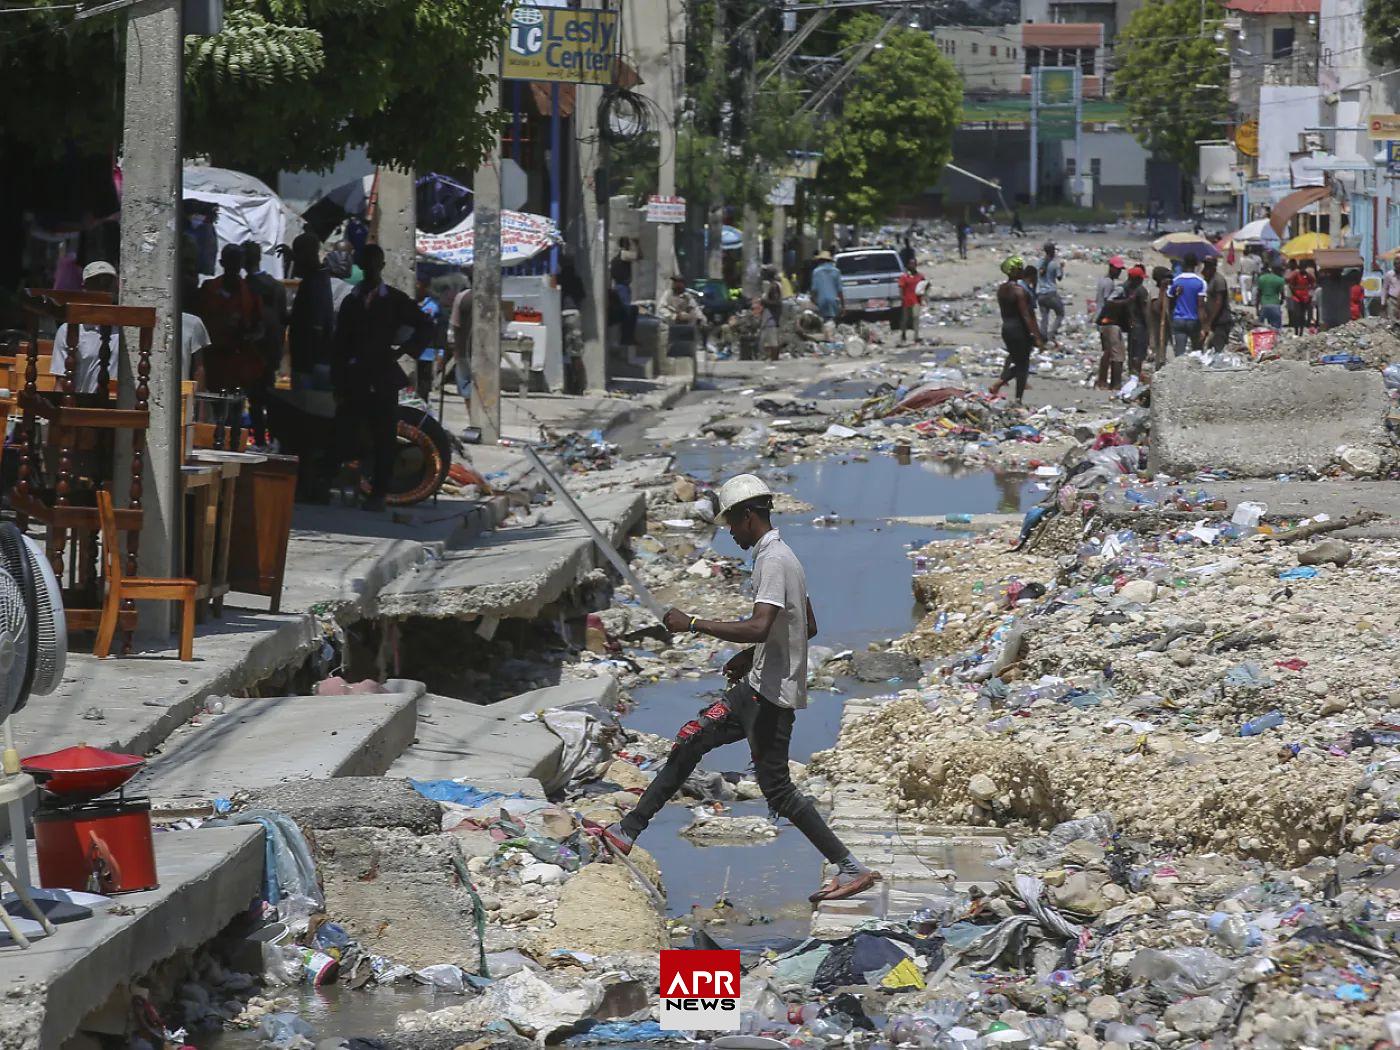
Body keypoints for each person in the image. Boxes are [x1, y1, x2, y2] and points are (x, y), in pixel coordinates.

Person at [599, 474, 882, 905]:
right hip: (753, 686)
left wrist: (692, 623)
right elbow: (806, 625)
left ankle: (850, 867)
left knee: (778, 790)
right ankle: (628, 830)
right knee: (691, 739)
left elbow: (759, 625)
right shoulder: (780, 557)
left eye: (732, 522)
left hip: (770, 699)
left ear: (750, 516)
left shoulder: (774, 561)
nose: (730, 532)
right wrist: (750, 658)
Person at [331, 244, 431, 512]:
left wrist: (404, 350)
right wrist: (337, 379)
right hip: (354, 376)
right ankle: (348, 484)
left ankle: (379, 492)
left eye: (376, 264)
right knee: (348, 432)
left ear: (382, 266)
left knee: (384, 435)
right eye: (367, 263)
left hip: (383, 375)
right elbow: (340, 343)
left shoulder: (395, 300)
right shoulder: (352, 301)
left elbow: (425, 325)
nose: (371, 269)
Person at [197, 243, 265, 399]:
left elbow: (259, 325)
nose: (234, 266)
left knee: (235, 406)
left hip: (238, 360)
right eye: (230, 261)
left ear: (242, 263)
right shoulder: (209, 288)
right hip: (213, 360)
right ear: (222, 263)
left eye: (237, 261)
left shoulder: (251, 292)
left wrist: (250, 337)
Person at [50, 261, 122, 394]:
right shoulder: (68, 330)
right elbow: (61, 381)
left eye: (107, 283)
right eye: (96, 283)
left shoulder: (124, 328)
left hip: (116, 406)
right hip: (82, 402)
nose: (102, 290)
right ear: (84, 287)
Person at [241, 242, 288, 447]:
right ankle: (272, 438)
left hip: (253, 352)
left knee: (255, 400)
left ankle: (261, 439)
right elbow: (283, 320)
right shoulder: (276, 286)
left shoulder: (244, 287)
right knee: (267, 397)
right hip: (269, 352)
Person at [989, 256, 1044, 404]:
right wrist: (1036, 335)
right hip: (1019, 330)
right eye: (1020, 268)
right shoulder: (1019, 291)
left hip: (1006, 328)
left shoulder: (1001, 289)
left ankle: (1005, 387)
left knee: (1017, 361)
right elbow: (1027, 315)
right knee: (1023, 364)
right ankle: (1012, 394)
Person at [286, 232, 336, 391]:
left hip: (310, 364)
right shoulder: (318, 278)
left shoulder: (316, 283)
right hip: (313, 362)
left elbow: (316, 326)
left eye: (297, 256)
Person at [1093, 256, 1125, 389]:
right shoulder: (1109, 283)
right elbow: (1108, 302)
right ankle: (1103, 381)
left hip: (1101, 319)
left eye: (1120, 269)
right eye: (1117, 269)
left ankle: (1102, 380)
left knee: (1106, 351)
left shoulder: (1104, 280)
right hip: (1105, 319)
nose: (1118, 272)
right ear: (1111, 267)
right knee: (1109, 352)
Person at [1167, 253, 1207, 357]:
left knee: (1180, 352)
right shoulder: (1201, 282)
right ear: (1196, 265)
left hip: (1178, 319)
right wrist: (1203, 327)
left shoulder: (1175, 281)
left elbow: (1170, 301)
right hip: (1194, 321)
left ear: (1183, 264)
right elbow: (1201, 306)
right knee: (1197, 351)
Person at [446, 280, 473, 416]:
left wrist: (454, 346)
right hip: (486, 354)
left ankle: (472, 419)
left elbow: (454, 324)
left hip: (463, 351)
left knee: (467, 387)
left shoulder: (462, 297)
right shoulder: (492, 298)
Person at [1124, 265, 1151, 379]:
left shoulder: (1127, 288)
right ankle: (1136, 373)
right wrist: (1149, 327)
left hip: (1131, 323)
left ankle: (1132, 372)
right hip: (1140, 324)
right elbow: (1145, 310)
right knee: (1139, 351)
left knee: (1132, 350)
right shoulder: (1141, 291)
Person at [1036, 241, 1065, 345]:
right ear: (1053, 251)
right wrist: (1062, 267)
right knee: (1060, 313)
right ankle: (1051, 334)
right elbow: (1059, 277)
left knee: (1044, 317)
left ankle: (1042, 336)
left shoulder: (1039, 262)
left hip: (1040, 293)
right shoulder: (1054, 264)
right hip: (1051, 293)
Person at [1202, 256, 1232, 351]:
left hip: (1221, 320)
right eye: (1205, 266)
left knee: (1218, 346)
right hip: (1213, 320)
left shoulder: (1218, 280)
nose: (1206, 269)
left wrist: (1209, 322)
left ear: (1214, 267)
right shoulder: (1209, 280)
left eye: (1208, 266)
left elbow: (1219, 302)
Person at [809, 253, 844, 324]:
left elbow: (814, 289)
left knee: (824, 321)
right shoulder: (836, 271)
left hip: (821, 300)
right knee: (833, 322)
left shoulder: (816, 271)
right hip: (834, 301)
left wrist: (813, 299)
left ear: (820, 261)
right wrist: (843, 305)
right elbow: (839, 290)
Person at [759, 265, 784, 361]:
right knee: (770, 338)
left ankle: (774, 359)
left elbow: (776, 302)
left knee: (772, 338)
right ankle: (772, 358)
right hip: (772, 314)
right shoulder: (774, 285)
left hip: (772, 315)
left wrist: (764, 301)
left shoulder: (774, 286)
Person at [1285, 259, 1312, 335]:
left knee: (1302, 315)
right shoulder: (1296, 275)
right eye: (1302, 268)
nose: (1303, 269)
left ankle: (1301, 332)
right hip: (1297, 297)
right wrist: (1295, 293)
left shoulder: (1307, 275)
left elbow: (1313, 282)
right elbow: (1290, 284)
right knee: (1297, 315)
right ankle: (1296, 331)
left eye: (1304, 267)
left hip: (1305, 297)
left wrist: (1308, 290)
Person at [1256, 263, 1286, 330]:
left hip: (1264, 305)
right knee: (1276, 328)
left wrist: (1257, 308)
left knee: (1260, 328)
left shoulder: (1261, 278)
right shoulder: (1280, 280)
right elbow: (1283, 295)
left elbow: (1258, 294)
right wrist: (1281, 301)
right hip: (1275, 304)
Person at [897, 262, 921, 344]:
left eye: (913, 264)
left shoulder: (920, 276)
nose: (912, 266)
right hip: (907, 300)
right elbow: (901, 287)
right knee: (905, 319)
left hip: (916, 300)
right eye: (910, 264)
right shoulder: (904, 277)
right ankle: (903, 334)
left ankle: (916, 336)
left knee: (916, 317)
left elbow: (925, 285)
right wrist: (901, 297)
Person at [1384, 258, 1400, 322]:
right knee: (1392, 319)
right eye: (1396, 264)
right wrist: (1383, 302)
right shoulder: (1389, 274)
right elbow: (1385, 288)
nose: (1398, 265)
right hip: (1392, 300)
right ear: (1394, 265)